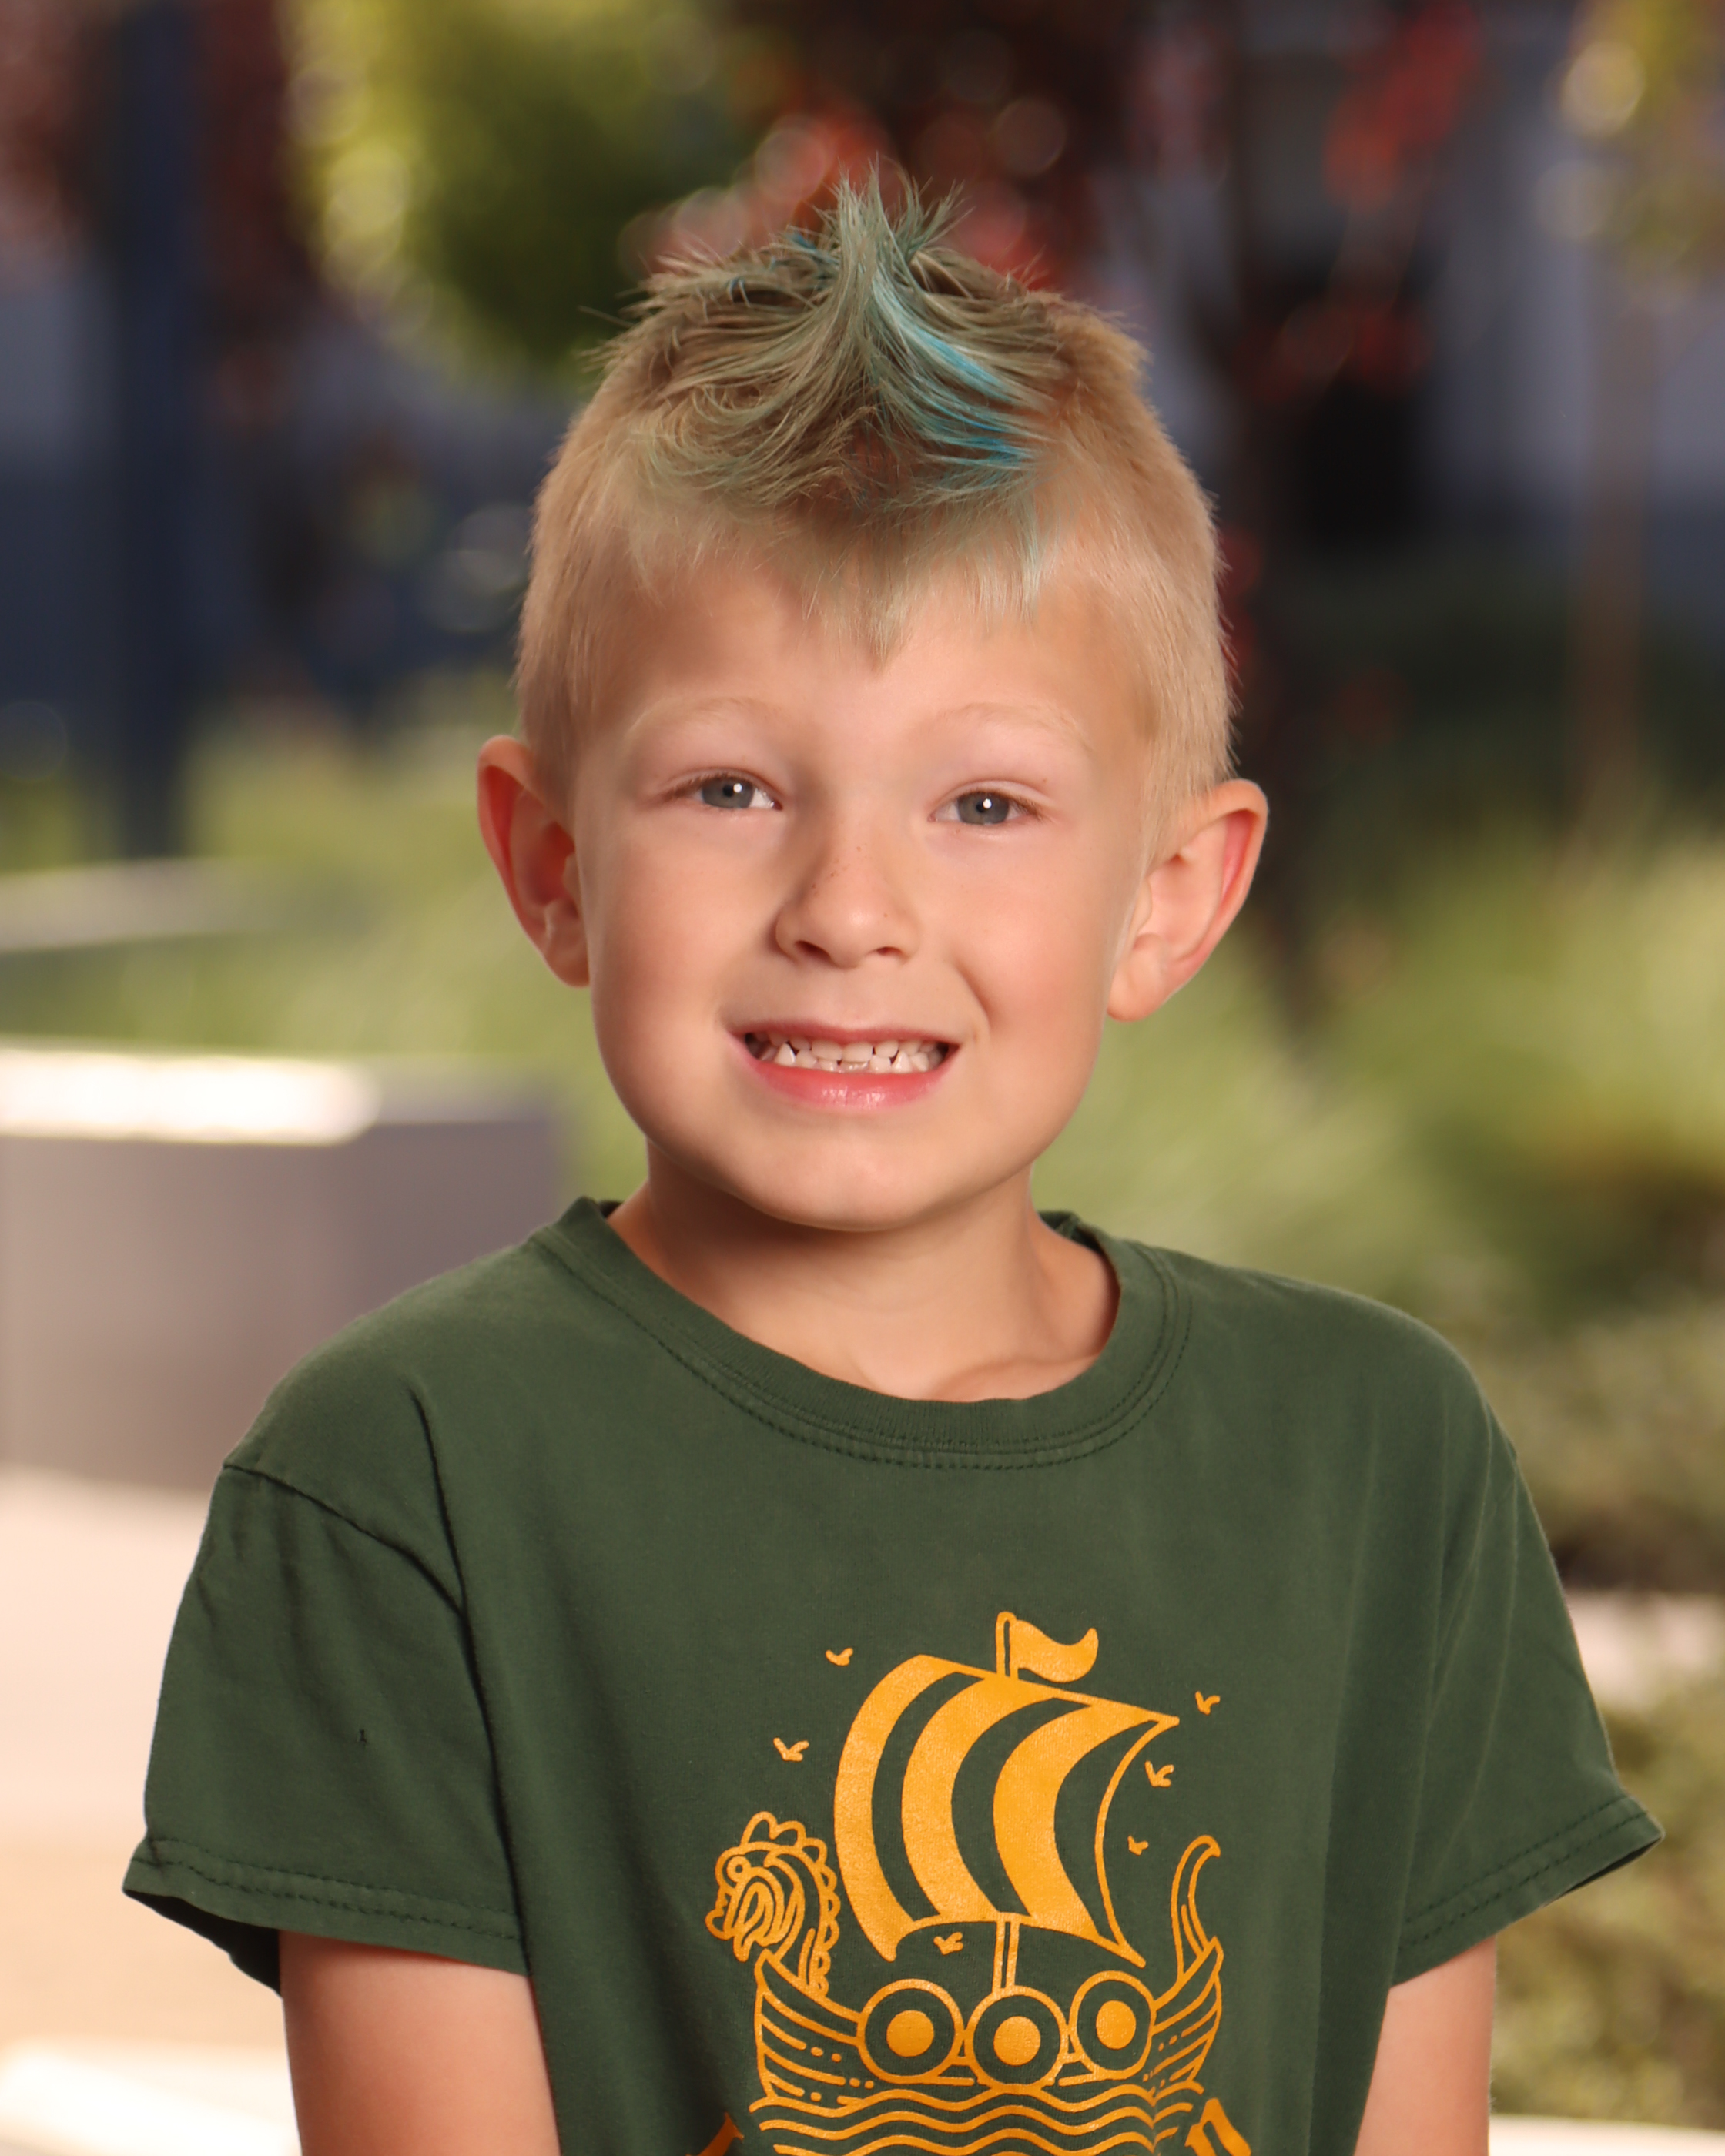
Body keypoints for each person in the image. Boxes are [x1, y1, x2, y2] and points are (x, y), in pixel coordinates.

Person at [126, 185, 1657, 2156]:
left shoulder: (1379, 1463)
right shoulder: (402, 1475)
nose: (848, 907)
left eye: (984, 801)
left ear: (1168, 895)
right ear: (553, 866)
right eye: (731, 786)